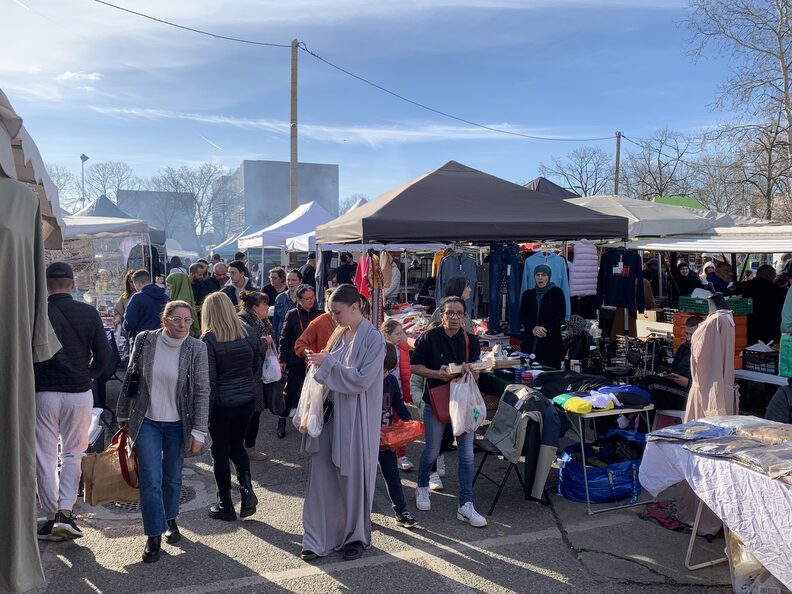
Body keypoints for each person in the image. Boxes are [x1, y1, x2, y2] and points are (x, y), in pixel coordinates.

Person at [116, 300, 210, 563]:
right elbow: (131, 377)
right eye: (176, 319)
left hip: (179, 423)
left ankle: (170, 518)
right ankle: (154, 535)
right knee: (150, 477)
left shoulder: (196, 348)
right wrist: (122, 411)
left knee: (172, 477)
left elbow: (203, 391)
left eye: (187, 320)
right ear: (164, 320)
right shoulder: (145, 340)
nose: (182, 325)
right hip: (146, 419)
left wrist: (199, 430)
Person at [301, 284, 386, 561]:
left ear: (355, 307)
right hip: (331, 416)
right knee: (321, 478)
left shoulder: (374, 339)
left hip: (358, 419)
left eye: (337, 312)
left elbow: (361, 379)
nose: (333, 317)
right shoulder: (339, 333)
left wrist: (327, 365)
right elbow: (332, 368)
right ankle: (316, 539)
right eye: (331, 312)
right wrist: (319, 363)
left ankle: (355, 537)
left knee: (353, 479)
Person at [34, 262, 112, 542]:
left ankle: (50, 515)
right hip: (79, 392)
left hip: (42, 392)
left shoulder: (35, 312)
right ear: (72, 282)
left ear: (45, 284)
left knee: (43, 456)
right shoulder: (88, 312)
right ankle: (66, 512)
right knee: (73, 454)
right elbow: (105, 359)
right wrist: (87, 377)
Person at [410, 296, 487, 528]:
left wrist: (474, 373)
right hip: (437, 399)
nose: (454, 317)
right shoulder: (429, 337)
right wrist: (438, 373)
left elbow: (477, 368)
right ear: (441, 315)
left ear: (464, 317)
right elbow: (414, 366)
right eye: (449, 313)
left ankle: (466, 504)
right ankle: (422, 486)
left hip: (463, 401)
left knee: (466, 455)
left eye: (458, 313)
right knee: (432, 449)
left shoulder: (470, 340)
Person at [201, 292, 262, 521]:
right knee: (237, 446)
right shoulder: (247, 332)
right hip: (246, 398)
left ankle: (225, 504)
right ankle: (247, 490)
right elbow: (255, 365)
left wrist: (203, 414)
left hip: (222, 403)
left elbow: (209, 380)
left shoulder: (209, 339)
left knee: (220, 453)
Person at [378, 343, 418, 529]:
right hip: (365, 439)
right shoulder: (365, 382)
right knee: (363, 479)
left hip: (386, 439)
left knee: (392, 475)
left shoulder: (391, 382)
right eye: (382, 370)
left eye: (389, 371)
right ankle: (359, 513)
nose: (385, 374)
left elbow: (398, 405)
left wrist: (409, 422)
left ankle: (401, 512)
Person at [277, 284, 321, 438]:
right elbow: (284, 338)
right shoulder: (292, 314)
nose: (310, 301)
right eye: (307, 299)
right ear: (299, 300)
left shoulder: (320, 314)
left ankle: (308, 422)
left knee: (313, 392)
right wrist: (282, 359)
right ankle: (282, 419)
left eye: (312, 298)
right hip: (296, 359)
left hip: (315, 359)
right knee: (290, 391)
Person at [238, 290, 275, 462]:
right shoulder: (243, 321)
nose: (267, 307)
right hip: (248, 373)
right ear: (254, 308)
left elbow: (270, 337)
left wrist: (266, 340)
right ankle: (246, 447)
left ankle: (248, 446)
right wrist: (264, 341)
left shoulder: (261, 320)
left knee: (256, 411)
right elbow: (250, 345)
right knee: (249, 412)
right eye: (264, 304)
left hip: (259, 372)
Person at [641, 316, 703, 413]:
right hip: (676, 387)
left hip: (692, 394)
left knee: (651, 384)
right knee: (651, 391)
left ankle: (627, 419)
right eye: (687, 333)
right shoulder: (684, 347)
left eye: (692, 334)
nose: (688, 338)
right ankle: (641, 425)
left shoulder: (707, 351)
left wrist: (689, 382)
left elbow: (711, 382)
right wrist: (668, 375)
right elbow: (674, 368)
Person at [380, 319, 414, 471]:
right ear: (386, 335)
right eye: (397, 333)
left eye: (402, 333)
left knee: (399, 425)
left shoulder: (402, 349)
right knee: (384, 425)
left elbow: (405, 372)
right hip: (383, 395)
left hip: (398, 392)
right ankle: (382, 453)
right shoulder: (380, 350)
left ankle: (401, 455)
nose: (401, 336)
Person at [520, 264, 566, 369]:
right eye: (538, 275)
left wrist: (544, 328)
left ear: (549, 277)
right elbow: (523, 316)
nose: (540, 277)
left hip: (550, 342)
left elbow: (560, 317)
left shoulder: (557, 293)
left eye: (543, 275)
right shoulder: (527, 295)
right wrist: (533, 328)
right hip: (530, 342)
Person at [733, 264, 786, 346]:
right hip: (769, 332)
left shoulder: (742, 286)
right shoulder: (778, 291)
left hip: (746, 330)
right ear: (771, 276)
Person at [123, 269, 169, 340]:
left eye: (135, 285)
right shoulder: (165, 297)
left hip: (142, 340)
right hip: (163, 339)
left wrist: (125, 326)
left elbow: (130, 323)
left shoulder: (137, 298)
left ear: (138, 284)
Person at [295, 289, 337, 359]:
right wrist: (311, 354)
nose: (330, 305)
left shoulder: (350, 321)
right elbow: (299, 344)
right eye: (327, 301)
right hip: (324, 366)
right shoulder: (319, 322)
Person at [166, 272, 201, 337]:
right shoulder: (186, 297)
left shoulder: (181, 302)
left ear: (177, 284)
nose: (168, 288)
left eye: (169, 285)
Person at [273, 268, 303, 339]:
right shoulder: (280, 298)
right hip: (282, 338)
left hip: (300, 338)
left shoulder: (306, 297)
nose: (290, 283)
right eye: (288, 280)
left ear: (300, 281)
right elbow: (275, 321)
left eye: (293, 280)